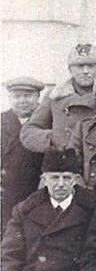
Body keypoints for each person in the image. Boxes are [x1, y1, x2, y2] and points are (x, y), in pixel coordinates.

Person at [20, 43, 96, 154]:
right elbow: (29, 131)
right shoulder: (55, 96)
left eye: (91, 66)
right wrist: (53, 137)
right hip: (65, 162)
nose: (85, 71)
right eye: (80, 66)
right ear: (70, 70)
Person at [1, 77, 46, 232]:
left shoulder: (47, 121)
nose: (22, 101)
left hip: (37, 190)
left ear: (37, 97)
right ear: (10, 98)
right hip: (7, 192)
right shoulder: (2, 122)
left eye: (27, 96)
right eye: (17, 96)